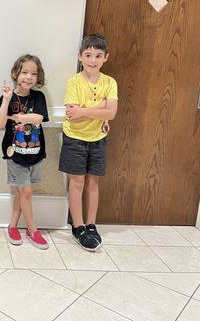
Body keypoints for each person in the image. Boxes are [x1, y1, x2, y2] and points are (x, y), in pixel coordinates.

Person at [59, 33, 118, 251]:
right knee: (77, 182)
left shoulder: (110, 82)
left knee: (94, 182)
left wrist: (87, 110)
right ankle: (78, 226)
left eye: (98, 55)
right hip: (75, 138)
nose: (92, 60)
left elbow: (112, 113)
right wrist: (100, 108)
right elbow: (73, 116)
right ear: (80, 57)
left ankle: (91, 224)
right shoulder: (74, 82)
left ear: (106, 58)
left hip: (98, 139)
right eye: (88, 55)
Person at [0, 54, 49, 249]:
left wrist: (18, 117)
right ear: (16, 73)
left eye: (34, 73)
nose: (29, 77)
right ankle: (32, 230)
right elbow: (0, 123)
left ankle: (12, 226)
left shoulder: (38, 97)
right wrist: (6, 101)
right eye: (25, 72)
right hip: (14, 153)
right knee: (25, 192)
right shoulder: (7, 96)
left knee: (22, 191)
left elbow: (39, 118)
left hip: (35, 152)